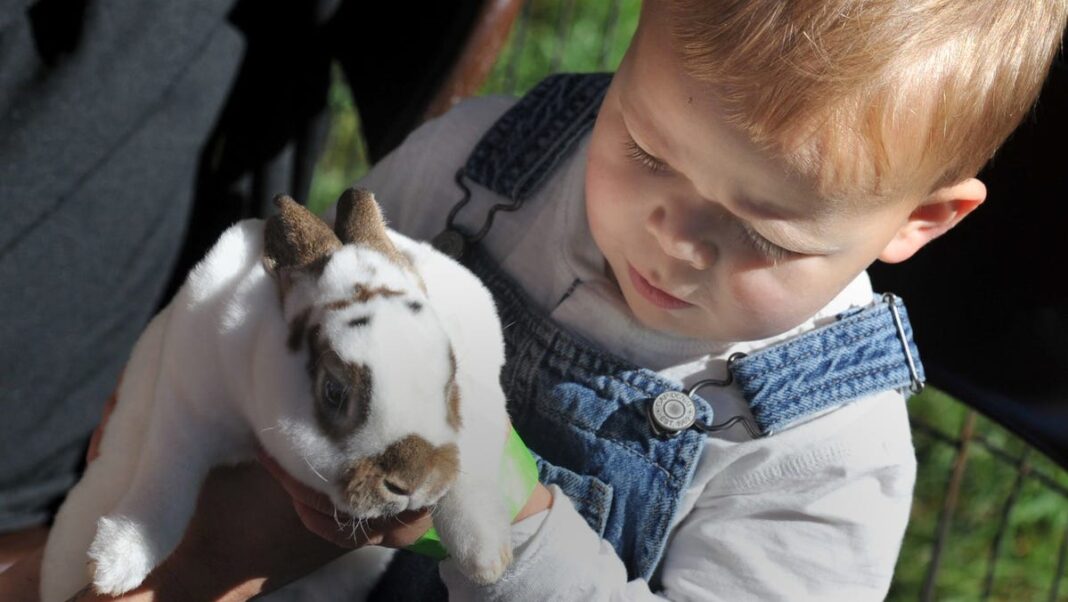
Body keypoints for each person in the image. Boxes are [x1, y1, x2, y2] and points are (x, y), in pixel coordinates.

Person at [6, 0, 1065, 600]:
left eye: (759, 232)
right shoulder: (486, 169)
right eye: (644, 148)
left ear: (918, 223)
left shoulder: (828, 451)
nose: (675, 236)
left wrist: (507, 516)